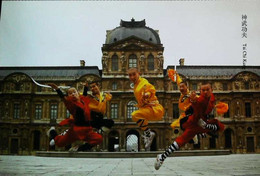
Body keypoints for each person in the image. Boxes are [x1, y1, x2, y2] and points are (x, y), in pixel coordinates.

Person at [154, 82, 227, 170]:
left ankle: (200, 133)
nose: (205, 92)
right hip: (193, 121)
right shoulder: (200, 100)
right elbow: (197, 107)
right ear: (200, 91)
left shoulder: (211, 98)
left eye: (207, 90)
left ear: (212, 90)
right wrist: (193, 101)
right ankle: (162, 157)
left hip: (201, 123)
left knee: (218, 126)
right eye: (203, 90)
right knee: (180, 141)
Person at [47, 83, 103, 151]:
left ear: (78, 93)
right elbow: (63, 97)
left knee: (99, 139)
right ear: (68, 96)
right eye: (70, 93)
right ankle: (52, 132)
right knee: (60, 143)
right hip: (76, 131)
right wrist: (57, 89)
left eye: (74, 92)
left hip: (87, 130)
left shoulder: (83, 100)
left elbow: (84, 95)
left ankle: (79, 148)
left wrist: (85, 87)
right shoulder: (71, 104)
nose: (73, 94)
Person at [128, 68, 164, 151]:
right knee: (136, 116)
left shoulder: (143, 82)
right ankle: (148, 134)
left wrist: (147, 94)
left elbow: (150, 89)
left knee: (134, 115)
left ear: (139, 73)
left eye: (134, 74)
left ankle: (148, 134)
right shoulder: (136, 84)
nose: (132, 77)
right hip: (148, 110)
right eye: (130, 75)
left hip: (154, 109)